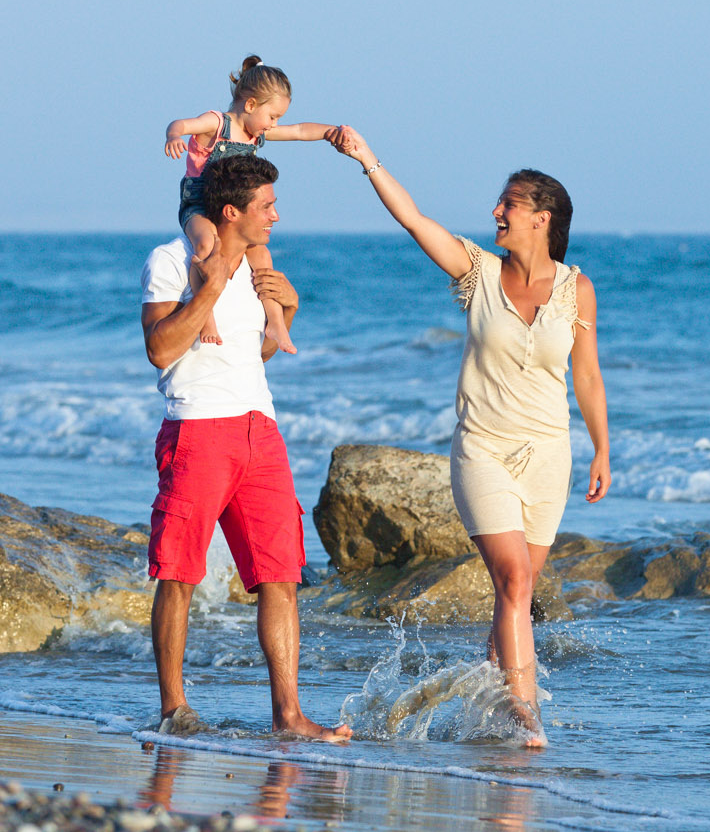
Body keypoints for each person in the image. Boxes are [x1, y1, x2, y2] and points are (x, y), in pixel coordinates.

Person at [330, 126, 610, 746]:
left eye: (508, 203)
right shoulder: (477, 272)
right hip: (482, 450)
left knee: (518, 594)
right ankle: (523, 714)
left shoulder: (576, 288)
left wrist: (602, 450)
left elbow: (587, 377)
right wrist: (367, 160)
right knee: (512, 582)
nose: (496, 212)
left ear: (542, 218)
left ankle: (480, 717)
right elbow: (414, 220)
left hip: (550, 457)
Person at [139, 154, 349, 742]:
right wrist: (208, 289)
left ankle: (289, 716)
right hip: (196, 429)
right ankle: (174, 709)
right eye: (267, 206)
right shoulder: (171, 261)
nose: (276, 216)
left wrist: (288, 309)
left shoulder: (261, 272)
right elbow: (161, 349)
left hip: (261, 428)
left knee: (280, 575)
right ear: (231, 212)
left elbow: (251, 352)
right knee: (178, 573)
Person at [164, 55, 342, 355]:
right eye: (272, 117)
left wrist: (330, 132)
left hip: (237, 211)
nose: (274, 125)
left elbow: (299, 131)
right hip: (199, 204)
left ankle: (274, 321)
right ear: (250, 105)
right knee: (206, 243)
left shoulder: (255, 132)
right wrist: (173, 136)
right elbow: (181, 124)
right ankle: (205, 317)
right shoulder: (217, 123)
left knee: (262, 255)